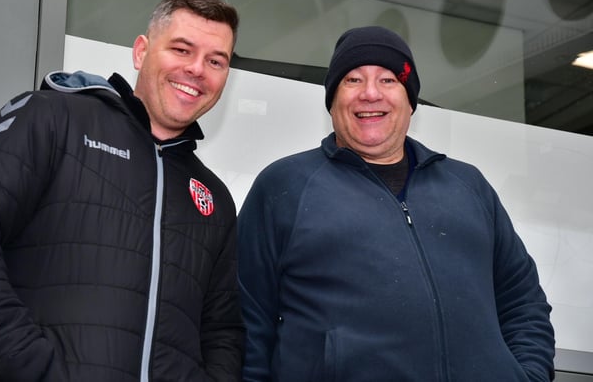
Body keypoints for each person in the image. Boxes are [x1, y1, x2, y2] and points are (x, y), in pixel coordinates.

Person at [0, 0, 244, 381]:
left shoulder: (213, 199)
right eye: (181, 49)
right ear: (141, 52)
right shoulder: (54, 118)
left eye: (216, 61)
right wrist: (20, 362)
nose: (197, 70)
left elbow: (222, 330)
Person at [237, 26, 555, 381]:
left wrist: (528, 375)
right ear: (333, 98)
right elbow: (248, 323)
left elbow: (523, 301)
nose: (370, 94)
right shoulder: (284, 186)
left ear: (409, 99)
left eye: (388, 80)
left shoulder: (468, 186)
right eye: (353, 80)